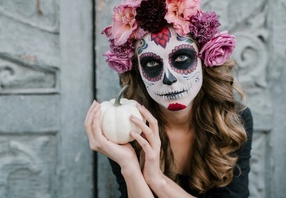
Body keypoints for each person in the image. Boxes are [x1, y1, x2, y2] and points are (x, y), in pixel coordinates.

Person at [84, 0, 253, 197]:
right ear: (138, 72)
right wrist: (129, 165)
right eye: (151, 64)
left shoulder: (233, 119)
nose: (168, 78)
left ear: (203, 60)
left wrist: (157, 180)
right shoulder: (125, 127)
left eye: (181, 58)